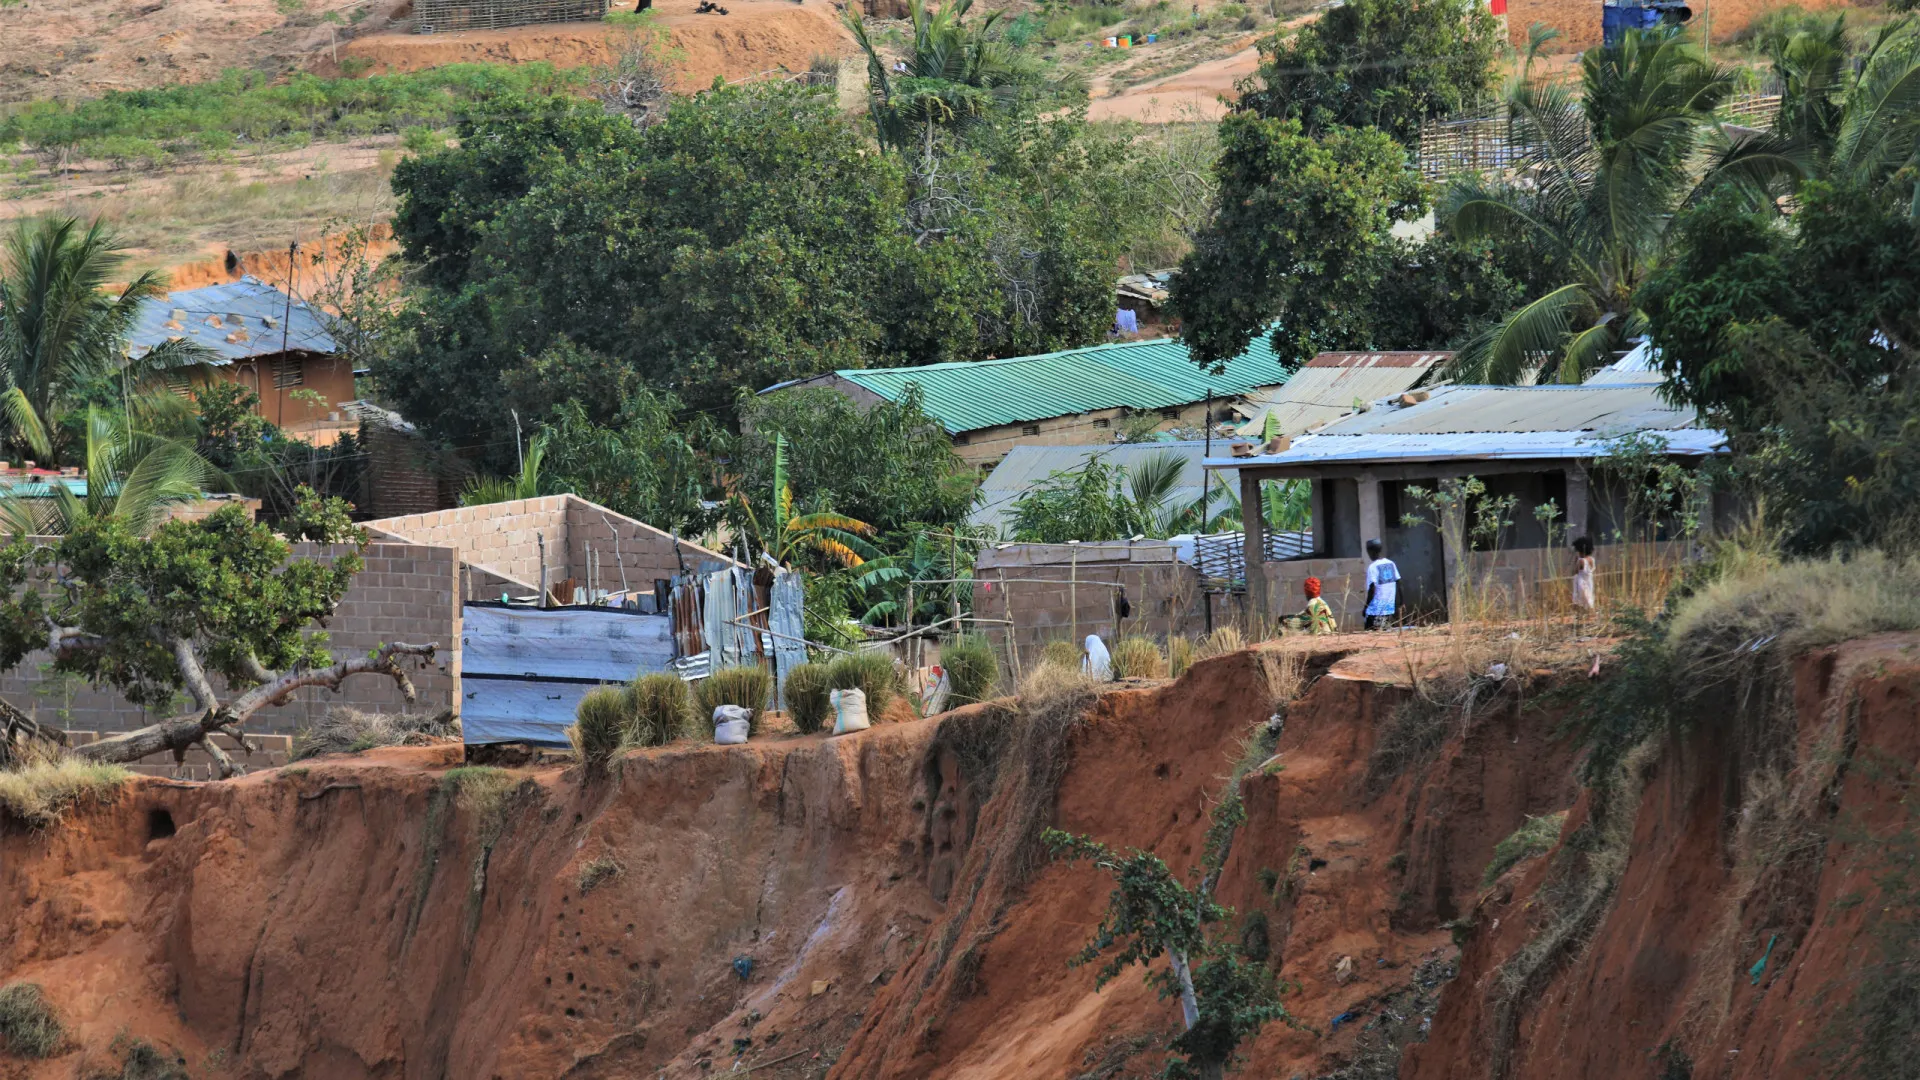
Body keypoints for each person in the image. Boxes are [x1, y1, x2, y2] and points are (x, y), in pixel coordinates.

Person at [1364, 539, 1399, 630]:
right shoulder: (1391, 564)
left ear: (1369, 551)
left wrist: (1366, 607)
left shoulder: (1373, 567)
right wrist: (1400, 603)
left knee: (1371, 635)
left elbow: (1372, 589)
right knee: (1385, 634)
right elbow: (1399, 583)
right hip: (1389, 609)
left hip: (1375, 611)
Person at [1571, 535, 1596, 612]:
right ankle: (1590, 612)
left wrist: (1575, 562)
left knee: (1582, 599)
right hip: (1589, 582)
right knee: (1589, 597)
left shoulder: (1581, 561)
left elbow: (1575, 571)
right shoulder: (1591, 559)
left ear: (1581, 551)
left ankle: (1586, 613)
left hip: (1581, 583)